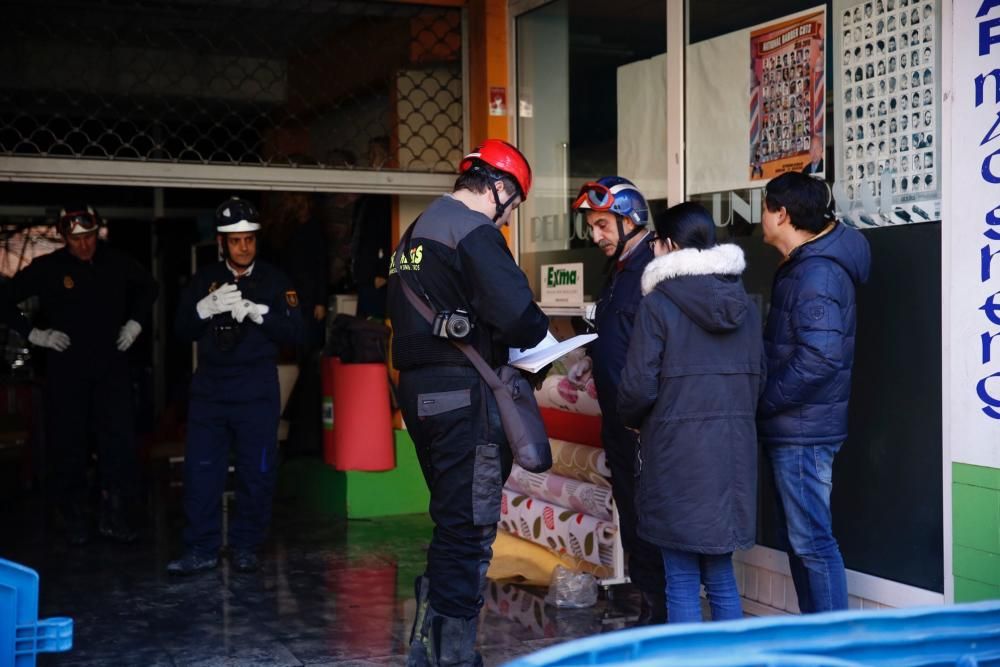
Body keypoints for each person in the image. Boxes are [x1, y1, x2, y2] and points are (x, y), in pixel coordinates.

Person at [387, 139, 548, 666]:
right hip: (463, 398)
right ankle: (454, 657)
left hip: (420, 396)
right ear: (499, 188)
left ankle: (431, 639)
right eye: (514, 204)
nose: (509, 216)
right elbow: (520, 315)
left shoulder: (413, 234)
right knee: (471, 528)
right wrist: (541, 337)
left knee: (451, 518)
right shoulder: (471, 230)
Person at [618, 202, 764, 623]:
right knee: (720, 573)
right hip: (732, 454)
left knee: (679, 577)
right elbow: (761, 380)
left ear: (667, 245)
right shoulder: (746, 307)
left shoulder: (658, 305)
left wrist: (631, 418)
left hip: (674, 453)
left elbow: (637, 387)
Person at [0, 205, 157, 545]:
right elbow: (4, 300)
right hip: (66, 365)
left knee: (118, 440)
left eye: (88, 237)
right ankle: (69, 517)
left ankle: (117, 513)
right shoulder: (49, 267)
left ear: (97, 231)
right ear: (63, 236)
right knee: (68, 441)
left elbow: (149, 287)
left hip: (111, 364)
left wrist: (136, 322)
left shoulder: (116, 261)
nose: (84, 246)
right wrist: (34, 333)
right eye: (76, 239)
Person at [167, 196, 304, 575]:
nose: (243, 247)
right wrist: (201, 309)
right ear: (222, 242)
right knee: (201, 471)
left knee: (256, 471)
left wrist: (263, 315)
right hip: (211, 390)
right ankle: (201, 548)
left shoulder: (275, 281)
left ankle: (246, 546)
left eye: (249, 239)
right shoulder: (203, 279)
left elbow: (299, 331)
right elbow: (180, 330)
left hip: (256, 389)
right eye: (235, 240)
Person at [757, 173, 871, 613]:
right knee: (804, 541)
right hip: (798, 425)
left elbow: (820, 358)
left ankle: (830, 649)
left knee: (813, 543)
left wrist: (765, 400)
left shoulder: (817, 273)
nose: (762, 218)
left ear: (782, 214)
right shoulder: (805, 266)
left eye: (766, 208)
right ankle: (816, 640)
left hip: (803, 431)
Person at [572, 176, 667, 624]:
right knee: (632, 514)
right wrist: (589, 357)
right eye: (592, 226)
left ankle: (661, 609)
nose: (596, 236)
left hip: (644, 424)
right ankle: (648, 601)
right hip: (618, 420)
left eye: (603, 225)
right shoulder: (620, 271)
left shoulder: (655, 269)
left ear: (630, 221)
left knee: (650, 519)